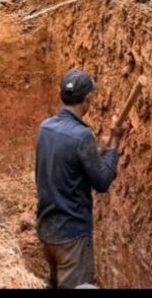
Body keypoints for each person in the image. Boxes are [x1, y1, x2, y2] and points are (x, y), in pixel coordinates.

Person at [35, 69, 127, 289]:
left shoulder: (45, 128)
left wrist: (95, 152)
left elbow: (67, 160)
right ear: (87, 100)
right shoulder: (82, 135)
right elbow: (103, 182)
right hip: (72, 238)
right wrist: (115, 141)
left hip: (47, 229)